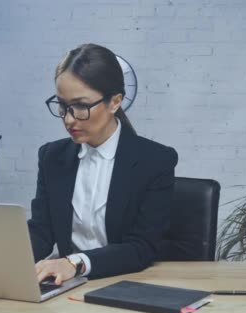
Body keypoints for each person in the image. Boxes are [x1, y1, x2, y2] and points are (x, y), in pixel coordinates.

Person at [28, 43, 178, 284]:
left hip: (127, 284)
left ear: (115, 102)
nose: (68, 119)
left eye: (81, 106)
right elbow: (41, 232)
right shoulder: (51, 157)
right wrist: (3, 259)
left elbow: (141, 248)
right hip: (66, 286)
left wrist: (74, 263)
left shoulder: (155, 161)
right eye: (63, 105)